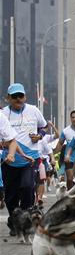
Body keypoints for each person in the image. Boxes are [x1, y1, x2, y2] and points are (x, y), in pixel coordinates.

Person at [2, 83, 45, 223]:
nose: (18, 99)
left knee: (27, 186)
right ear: (8, 98)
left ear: (25, 97)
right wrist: (4, 146)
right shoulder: (3, 114)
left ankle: (25, 218)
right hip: (9, 160)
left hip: (30, 158)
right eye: (14, 96)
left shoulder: (33, 110)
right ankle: (14, 220)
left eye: (21, 96)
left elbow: (43, 127)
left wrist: (39, 136)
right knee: (11, 194)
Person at [58, 110, 75, 190]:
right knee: (69, 178)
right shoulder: (65, 131)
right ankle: (70, 195)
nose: (74, 119)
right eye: (72, 117)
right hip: (69, 158)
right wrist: (53, 156)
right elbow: (60, 144)